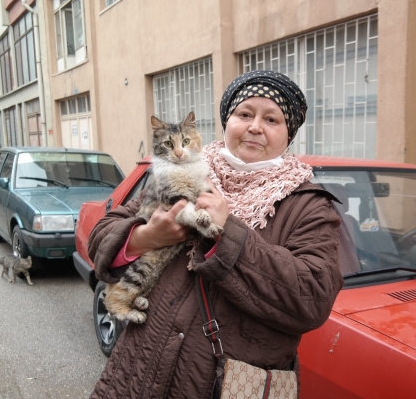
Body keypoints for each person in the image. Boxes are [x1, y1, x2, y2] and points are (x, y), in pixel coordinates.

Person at [87, 70, 343, 398]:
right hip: (138, 374)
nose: (255, 126)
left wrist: (228, 235)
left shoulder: (308, 205)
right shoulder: (181, 171)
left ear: (288, 135)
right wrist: (148, 237)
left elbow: (313, 296)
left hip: (225, 385)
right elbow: (101, 236)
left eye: (272, 119)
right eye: (245, 114)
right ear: (227, 122)